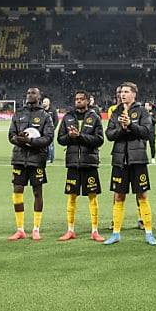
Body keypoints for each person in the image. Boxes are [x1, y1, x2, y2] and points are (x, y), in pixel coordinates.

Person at [103, 82, 156, 245]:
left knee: (142, 195)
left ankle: (148, 232)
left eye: (126, 92)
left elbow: (147, 132)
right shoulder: (116, 112)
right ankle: (116, 233)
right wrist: (123, 128)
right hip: (120, 160)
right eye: (122, 92)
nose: (123, 94)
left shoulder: (142, 111)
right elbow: (110, 134)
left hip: (138, 159)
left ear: (134, 94)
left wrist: (131, 125)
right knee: (119, 196)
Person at [57, 90, 106, 242]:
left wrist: (80, 136)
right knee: (72, 196)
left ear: (87, 101)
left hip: (89, 162)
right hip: (73, 163)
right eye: (76, 99)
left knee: (92, 196)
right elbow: (60, 139)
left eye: (81, 99)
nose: (78, 101)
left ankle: (95, 231)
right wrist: (70, 137)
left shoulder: (94, 117)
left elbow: (99, 140)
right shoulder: (67, 117)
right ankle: (70, 230)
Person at [7, 87, 54, 241]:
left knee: (37, 192)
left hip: (37, 159)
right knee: (17, 191)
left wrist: (31, 141)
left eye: (33, 93)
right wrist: (19, 139)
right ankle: (20, 229)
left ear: (39, 96)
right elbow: (11, 136)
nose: (30, 95)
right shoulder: (18, 113)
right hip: (19, 158)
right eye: (28, 93)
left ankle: (36, 228)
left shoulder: (45, 116)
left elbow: (48, 138)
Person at [42, 97, 58, 164]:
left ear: (48, 103)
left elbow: (56, 120)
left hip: (50, 130)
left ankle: (50, 158)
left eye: (45, 102)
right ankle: (45, 157)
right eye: (43, 102)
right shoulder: (41, 110)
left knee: (50, 145)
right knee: (43, 144)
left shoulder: (53, 110)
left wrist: (53, 128)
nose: (44, 103)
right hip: (43, 130)